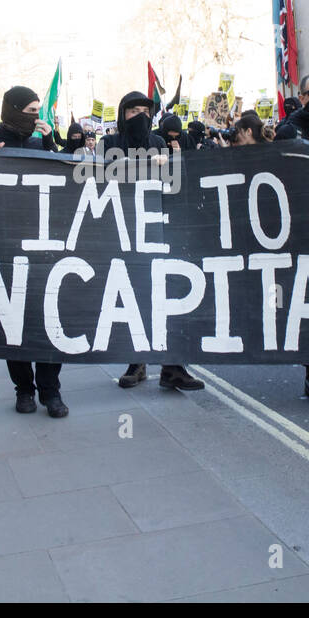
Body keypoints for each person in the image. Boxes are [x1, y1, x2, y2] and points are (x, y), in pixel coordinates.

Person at [98, 90, 205, 393]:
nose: (140, 117)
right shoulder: (109, 143)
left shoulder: (158, 142)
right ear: (123, 114)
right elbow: (102, 179)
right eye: (133, 112)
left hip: (157, 229)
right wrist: (142, 163)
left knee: (166, 298)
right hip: (123, 231)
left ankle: (173, 366)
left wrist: (167, 163)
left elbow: (174, 185)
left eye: (146, 111)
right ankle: (136, 362)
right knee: (132, 297)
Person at [0, 86, 69, 416]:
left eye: (39, 111)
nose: (36, 117)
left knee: (51, 318)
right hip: (4, 248)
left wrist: (51, 144)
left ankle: (50, 390)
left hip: (44, 247)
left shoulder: (40, 144)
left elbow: (67, 182)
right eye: (31, 111)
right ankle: (24, 390)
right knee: (11, 322)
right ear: (13, 110)